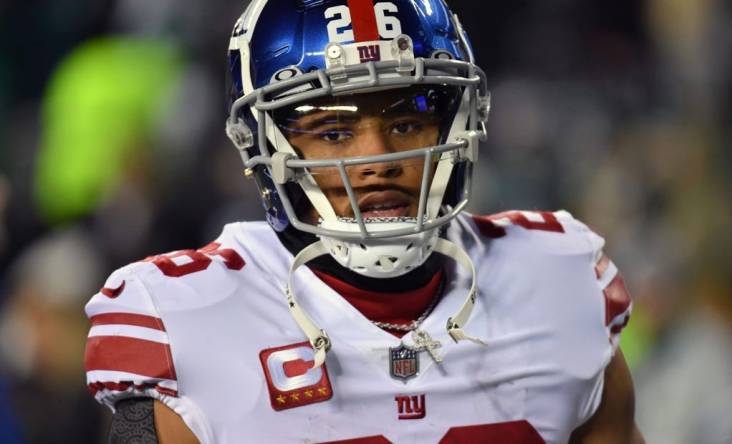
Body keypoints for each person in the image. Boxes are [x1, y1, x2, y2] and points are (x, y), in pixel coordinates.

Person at [83, 0, 644, 442]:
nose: (378, 160)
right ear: (261, 144)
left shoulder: (560, 279)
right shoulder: (185, 319)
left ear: (460, 123)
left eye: (407, 122)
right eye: (333, 132)